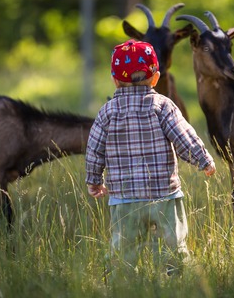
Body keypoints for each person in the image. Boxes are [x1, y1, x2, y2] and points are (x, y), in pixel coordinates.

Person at [85, 39, 216, 279]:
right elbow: (183, 136)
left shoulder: (107, 112)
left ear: (115, 80)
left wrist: (94, 179)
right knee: (173, 245)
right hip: (163, 195)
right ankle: (177, 281)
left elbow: (94, 147)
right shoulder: (163, 106)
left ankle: (121, 284)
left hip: (124, 199)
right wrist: (203, 160)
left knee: (124, 249)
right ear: (155, 78)